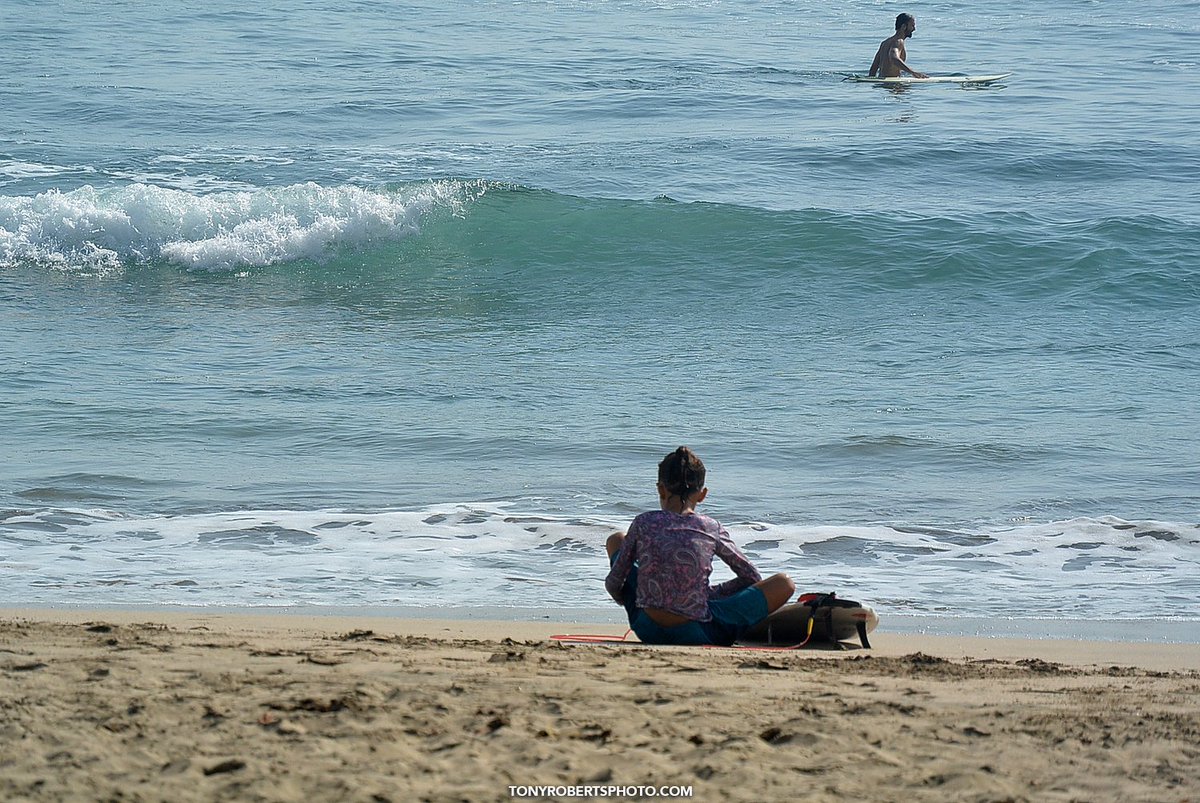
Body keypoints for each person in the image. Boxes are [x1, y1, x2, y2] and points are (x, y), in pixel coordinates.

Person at [605, 446, 795, 646]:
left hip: (646, 627)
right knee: (785, 583)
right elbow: (751, 577)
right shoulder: (710, 527)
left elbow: (613, 583)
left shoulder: (643, 522)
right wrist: (708, 594)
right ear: (703, 494)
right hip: (695, 632)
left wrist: (634, 598)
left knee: (617, 539)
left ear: (661, 489)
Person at [869, 13, 929, 79]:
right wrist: (913, 72)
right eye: (912, 26)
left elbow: (873, 68)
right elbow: (894, 58)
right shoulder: (898, 42)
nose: (914, 29)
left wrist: (871, 80)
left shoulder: (885, 43)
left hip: (883, 85)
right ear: (904, 27)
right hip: (893, 86)